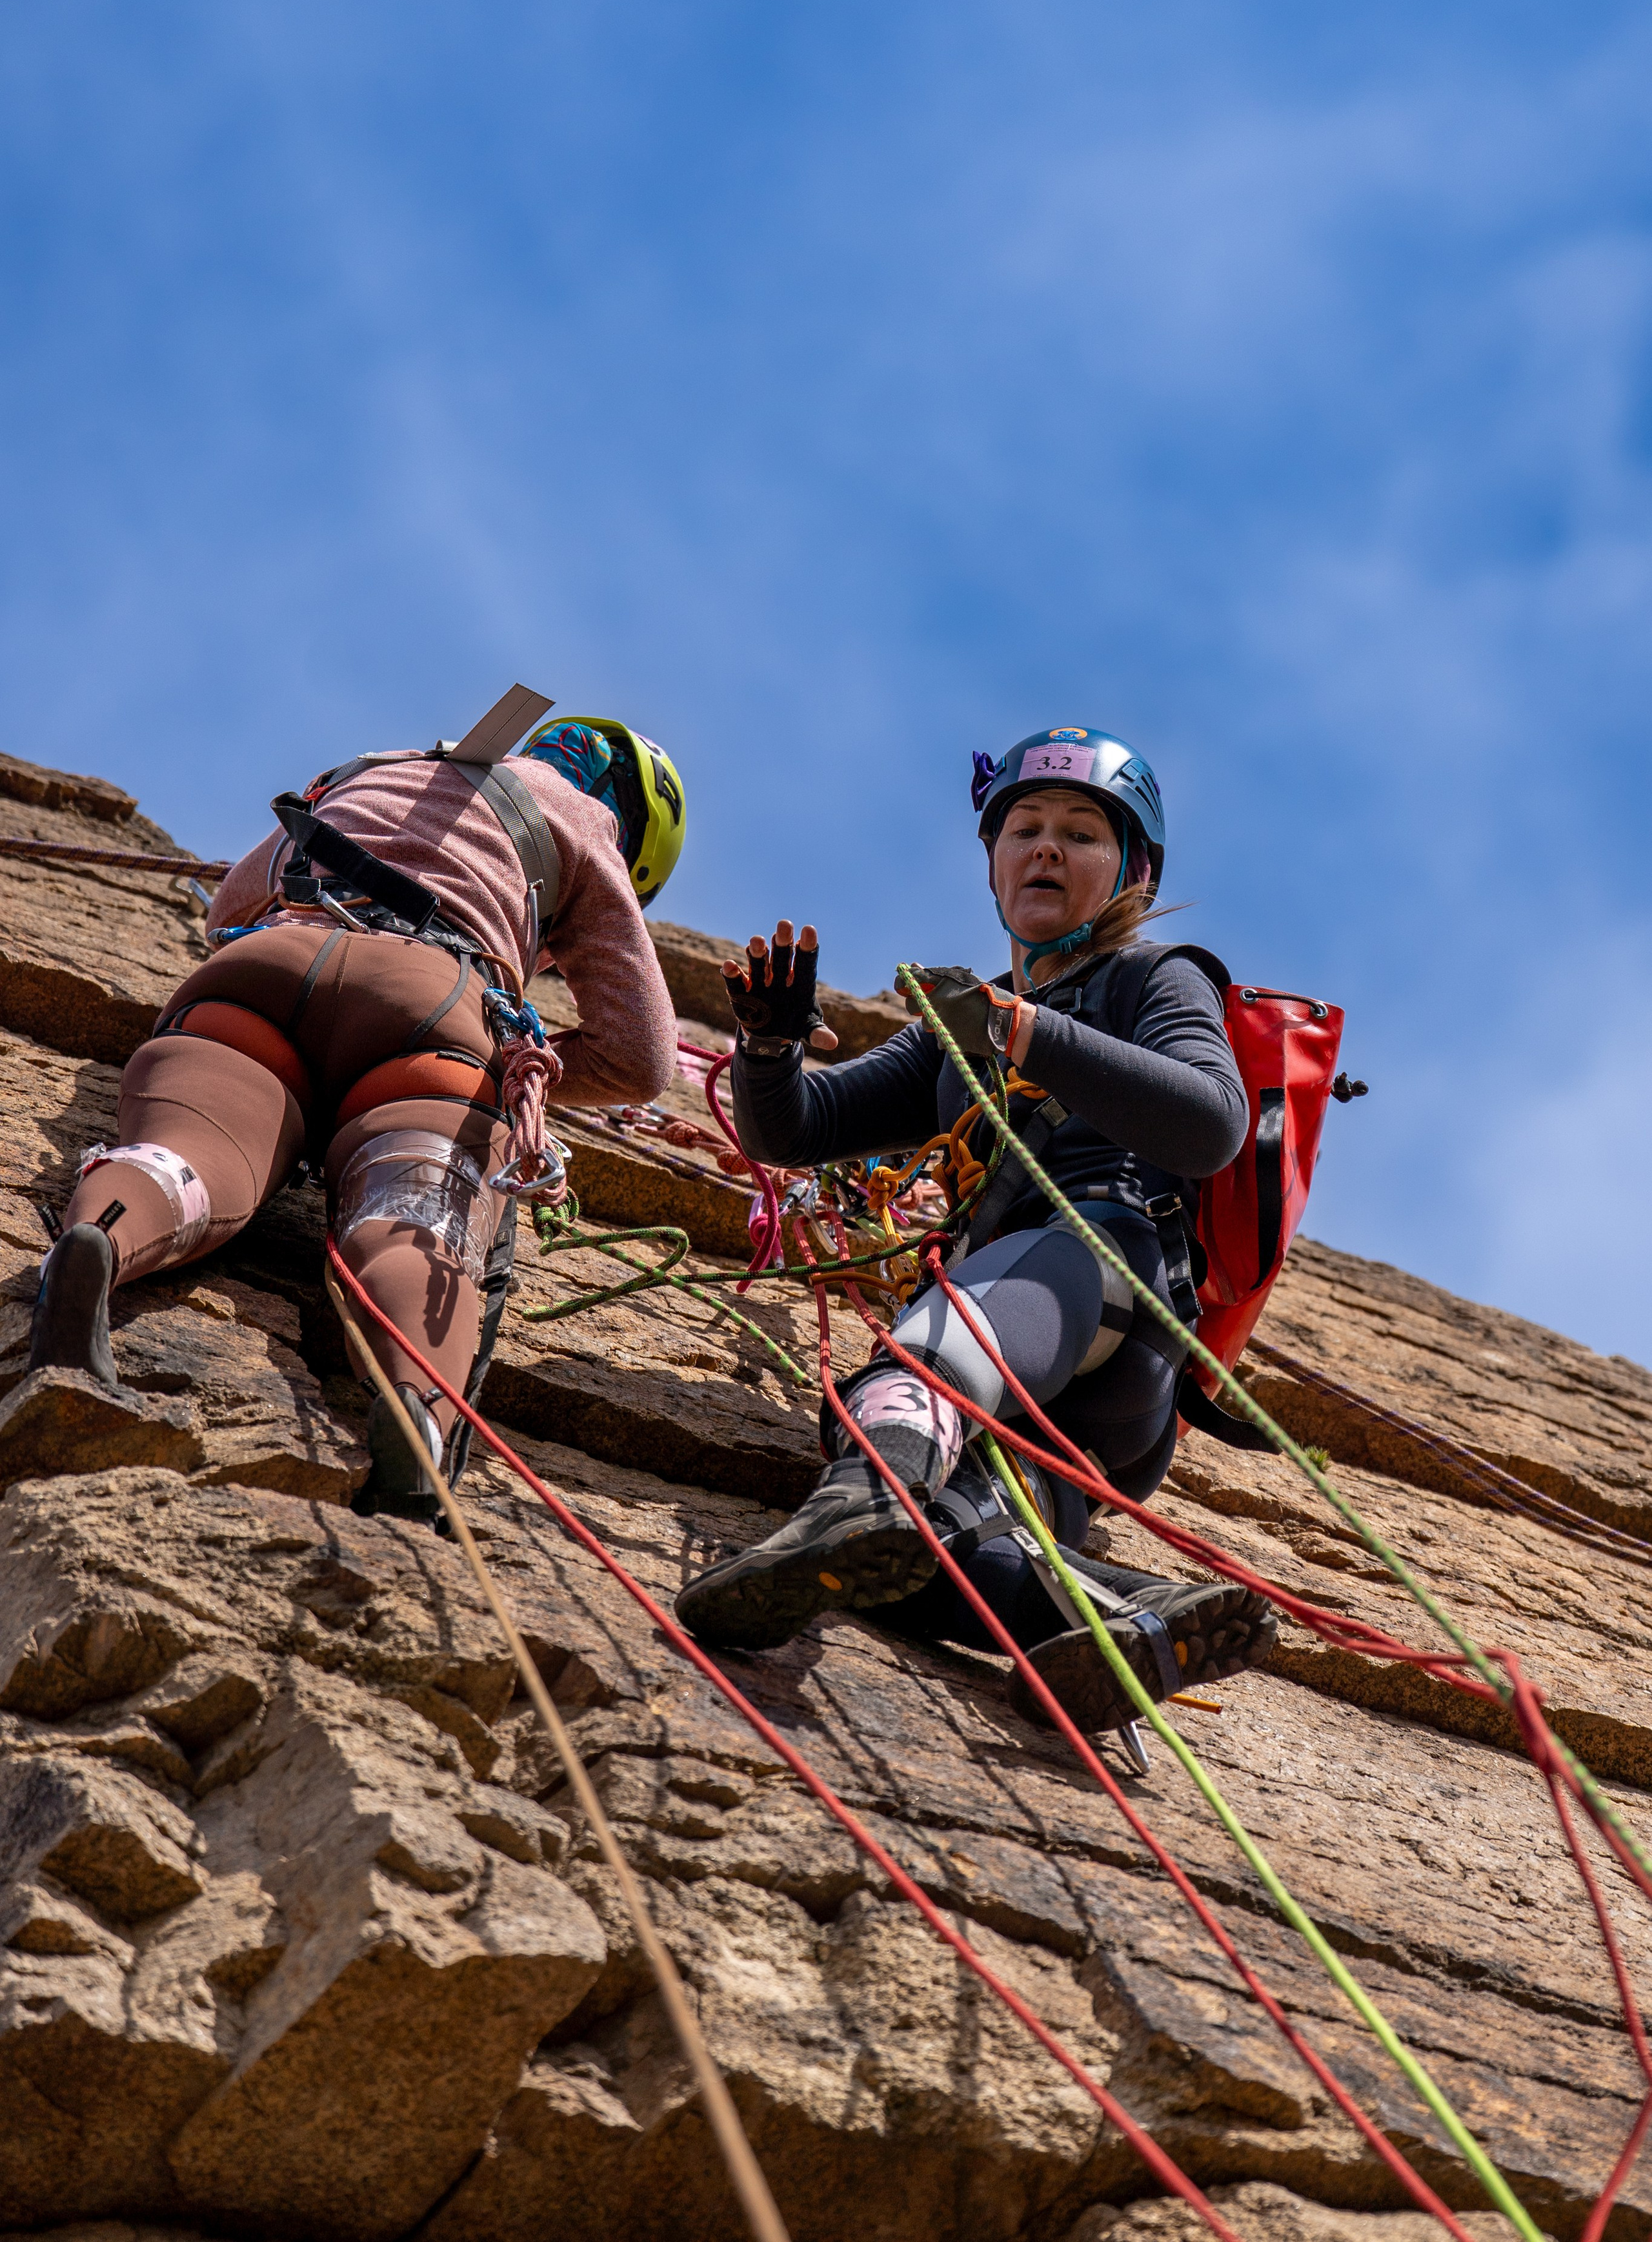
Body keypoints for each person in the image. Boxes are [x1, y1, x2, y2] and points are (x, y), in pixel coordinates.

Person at [674, 725, 1276, 1736]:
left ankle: (865, 1491)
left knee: (905, 1380)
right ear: (993, 863)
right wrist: (770, 1048)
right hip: (1064, 1395)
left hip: (1093, 1273)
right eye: (1024, 828)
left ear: (1130, 872)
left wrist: (1028, 1030)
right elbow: (799, 1133)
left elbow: (1211, 1119)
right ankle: (1135, 1611)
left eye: (1081, 833)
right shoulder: (959, 1030)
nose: (1045, 847)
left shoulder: (1152, 978)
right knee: (919, 1563)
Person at [28, 702, 685, 1528]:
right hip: (431, 1009)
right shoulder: (582, 821)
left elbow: (227, 907)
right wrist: (523, 1057)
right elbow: (643, 1055)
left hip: (270, 963)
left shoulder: (375, 769)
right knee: (413, 1222)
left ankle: (103, 1238)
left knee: (189, 1152)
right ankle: (415, 1403)